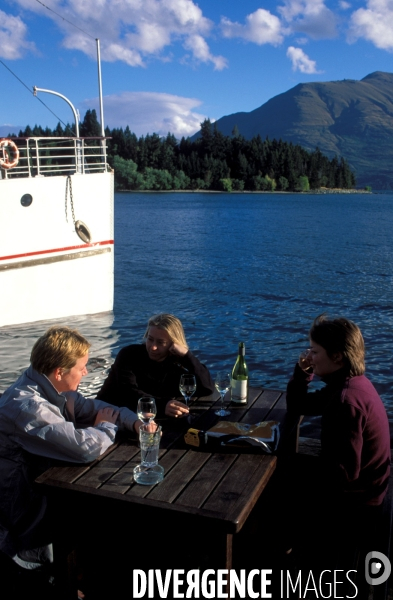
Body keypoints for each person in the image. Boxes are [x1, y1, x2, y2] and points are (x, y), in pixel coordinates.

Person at [0, 325, 149, 590]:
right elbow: (84, 448)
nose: (86, 372)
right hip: (22, 503)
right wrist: (106, 427)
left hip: (45, 484)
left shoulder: (54, 390)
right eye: (81, 367)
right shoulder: (26, 405)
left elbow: (99, 408)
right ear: (59, 372)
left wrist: (134, 423)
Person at [282, 314, 391, 567]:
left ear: (337, 356)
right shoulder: (349, 384)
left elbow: (342, 474)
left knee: (278, 490)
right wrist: (303, 372)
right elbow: (299, 405)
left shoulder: (345, 400)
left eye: (315, 351)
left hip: (357, 505)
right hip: (362, 489)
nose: (309, 356)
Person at [97, 313, 215, 418]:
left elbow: (207, 388)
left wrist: (186, 355)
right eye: (150, 339)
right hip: (107, 413)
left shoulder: (176, 362)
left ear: (173, 343)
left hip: (145, 418)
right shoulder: (129, 355)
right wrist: (162, 405)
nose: (153, 347)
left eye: (160, 342)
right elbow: (128, 392)